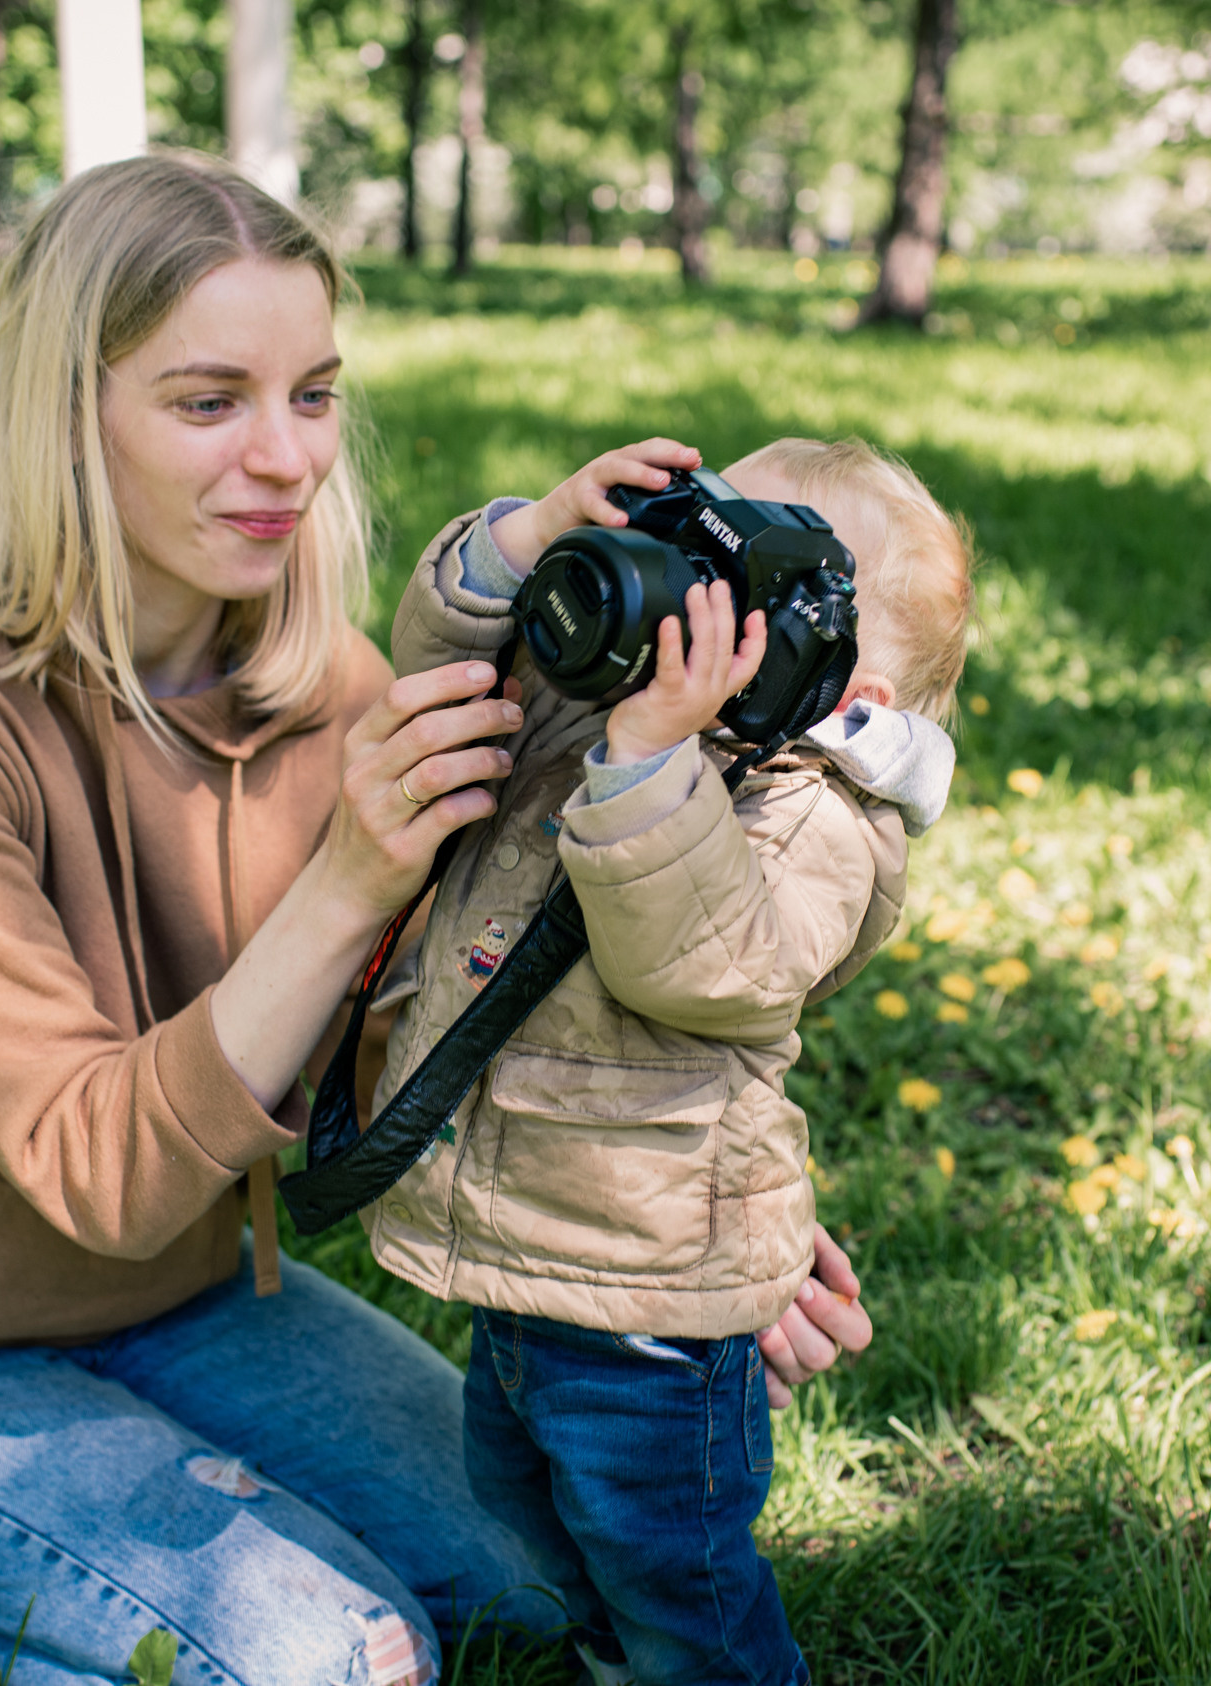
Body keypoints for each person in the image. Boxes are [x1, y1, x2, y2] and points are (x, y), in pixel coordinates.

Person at [0, 150, 872, 1686]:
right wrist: (349, 876)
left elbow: (450, 1038)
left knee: (534, 1592)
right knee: (341, 1659)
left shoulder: (326, 687)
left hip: (189, 1298)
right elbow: (101, 1172)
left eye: (312, 395)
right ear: (67, 414)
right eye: (208, 403)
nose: (284, 459)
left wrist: (697, 1234)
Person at [365, 434, 971, 1686]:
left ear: (854, 693)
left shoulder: (819, 817)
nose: (701, 614)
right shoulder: (611, 702)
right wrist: (532, 544)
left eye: (750, 600)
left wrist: (651, 757)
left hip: (653, 1298)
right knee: (529, 1504)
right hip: (532, 1253)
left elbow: (703, 961)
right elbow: (440, 672)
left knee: (670, 1568)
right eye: (701, 555)